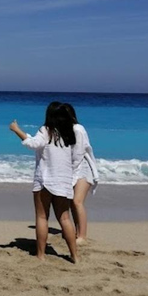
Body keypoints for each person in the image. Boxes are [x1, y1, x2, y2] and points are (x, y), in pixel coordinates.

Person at [9, 102, 80, 263]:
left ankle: (41, 255)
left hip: (45, 180)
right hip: (63, 181)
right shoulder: (69, 134)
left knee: (42, 217)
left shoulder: (46, 131)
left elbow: (33, 144)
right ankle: (75, 256)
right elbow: (75, 159)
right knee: (65, 219)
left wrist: (16, 130)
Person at [63, 103, 99, 245]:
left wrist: (68, 171)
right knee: (72, 203)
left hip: (83, 168)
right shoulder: (66, 130)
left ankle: (82, 235)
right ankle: (77, 232)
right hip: (74, 168)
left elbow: (78, 154)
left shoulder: (77, 129)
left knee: (77, 201)